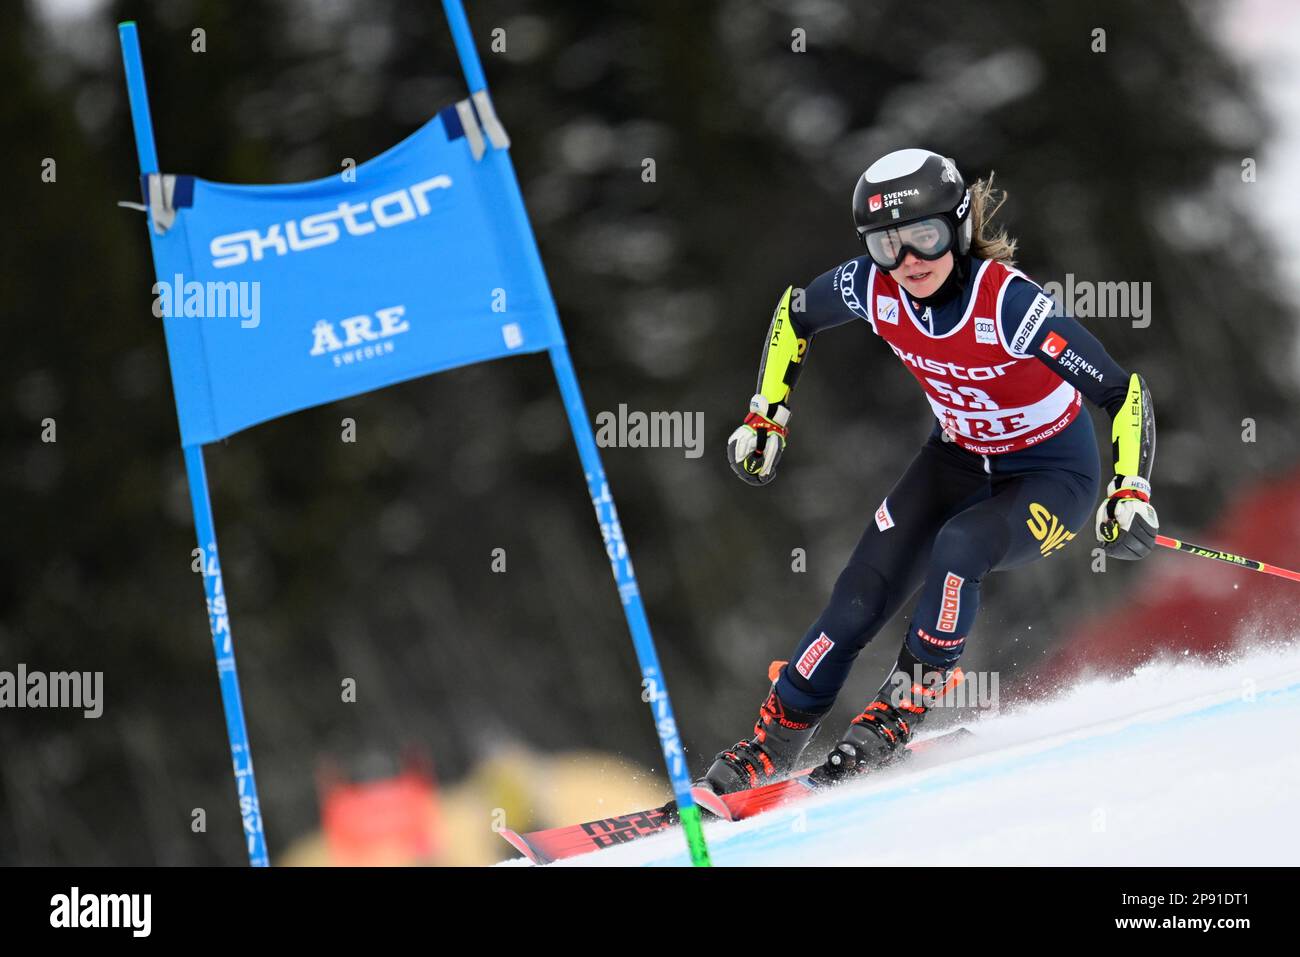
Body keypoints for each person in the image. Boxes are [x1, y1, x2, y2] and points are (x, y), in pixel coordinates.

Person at [700, 148, 1159, 794]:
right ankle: (773, 738)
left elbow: (1120, 389)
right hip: (958, 459)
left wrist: (1129, 488)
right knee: (857, 594)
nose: (909, 260)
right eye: (887, 243)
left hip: (1055, 475)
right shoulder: (873, 286)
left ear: (960, 229)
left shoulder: (1006, 306)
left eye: (925, 236)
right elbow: (794, 313)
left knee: (962, 544)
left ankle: (902, 705)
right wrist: (766, 413)